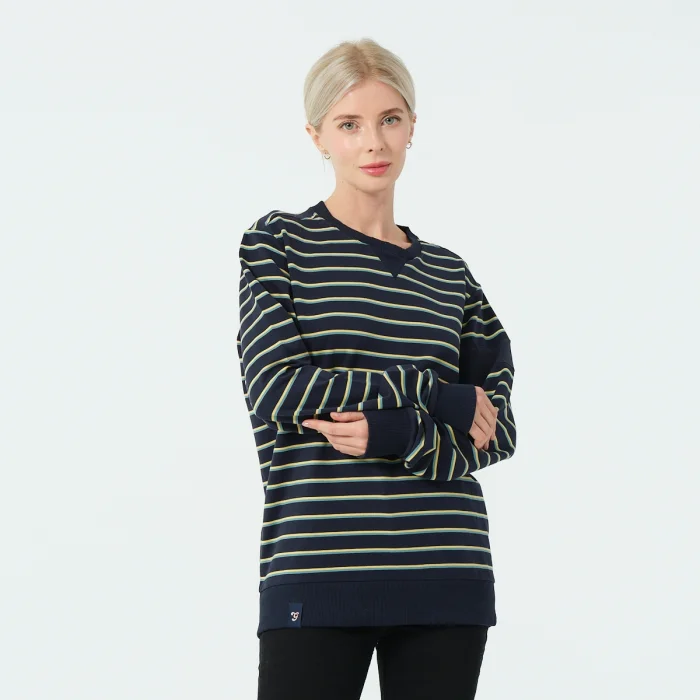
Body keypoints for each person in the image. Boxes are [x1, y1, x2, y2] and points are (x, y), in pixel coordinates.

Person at [237, 37, 517, 700]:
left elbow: (497, 430)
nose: (373, 142)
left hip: (446, 570)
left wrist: (399, 432)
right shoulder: (278, 244)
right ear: (317, 136)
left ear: (412, 126)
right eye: (349, 124)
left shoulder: (449, 275)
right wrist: (429, 392)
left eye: (389, 119)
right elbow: (277, 387)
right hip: (317, 569)